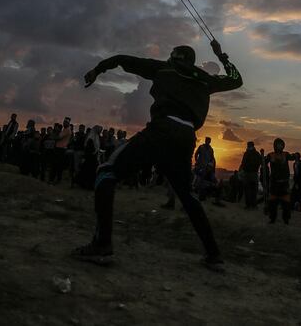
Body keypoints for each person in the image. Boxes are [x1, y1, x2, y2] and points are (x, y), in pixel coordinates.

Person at [73, 40, 242, 269]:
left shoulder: (163, 68)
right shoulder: (205, 79)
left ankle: (102, 245)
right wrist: (221, 56)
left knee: (106, 173)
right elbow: (236, 79)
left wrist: (98, 69)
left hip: (163, 128)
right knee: (187, 194)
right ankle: (214, 255)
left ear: (174, 56)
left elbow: (122, 58)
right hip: (187, 136)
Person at [264, 138, 294, 224]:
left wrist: (295, 155)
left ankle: (286, 219)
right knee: (273, 202)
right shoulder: (271, 155)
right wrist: (263, 158)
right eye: (278, 144)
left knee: (286, 202)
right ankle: (272, 218)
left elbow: (292, 157)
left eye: (281, 144)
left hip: (284, 183)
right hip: (274, 183)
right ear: (275, 145)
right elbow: (264, 162)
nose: (280, 146)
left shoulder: (286, 154)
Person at [239, 141, 262, 209]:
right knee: (251, 190)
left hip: (251, 174)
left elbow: (243, 163)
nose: (248, 146)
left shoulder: (250, 153)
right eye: (248, 145)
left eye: (249, 145)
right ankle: (252, 205)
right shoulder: (255, 154)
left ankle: (250, 205)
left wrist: (240, 170)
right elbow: (243, 163)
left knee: (250, 190)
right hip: (251, 174)